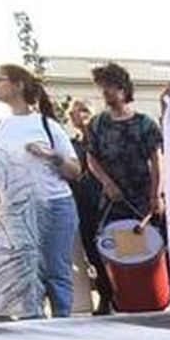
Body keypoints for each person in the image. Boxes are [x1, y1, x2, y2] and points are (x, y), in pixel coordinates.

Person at [0, 65, 81, 317]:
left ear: (18, 85)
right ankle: (34, 325)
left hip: (55, 203)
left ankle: (62, 325)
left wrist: (50, 155)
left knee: (56, 270)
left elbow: (75, 170)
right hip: (17, 209)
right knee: (26, 271)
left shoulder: (47, 125)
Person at [85, 63, 162, 311]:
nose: (105, 92)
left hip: (141, 202)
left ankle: (152, 300)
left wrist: (156, 195)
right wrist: (106, 183)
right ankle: (116, 299)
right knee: (112, 251)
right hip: (112, 202)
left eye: (110, 86)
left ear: (123, 88)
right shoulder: (97, 124)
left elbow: (156, 160)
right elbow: (91, 158)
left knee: (148, 251)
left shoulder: (145, 124)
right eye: (102, 87)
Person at [66, 98, 110, 314]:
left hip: (106, 202)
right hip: (82, 205)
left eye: (83, 110)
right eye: (74, 111)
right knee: (92, 253)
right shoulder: (70, 145)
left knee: (110, 250)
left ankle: (116, 295)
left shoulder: (104, 140)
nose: (79, 114)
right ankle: (105, 295)